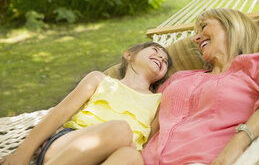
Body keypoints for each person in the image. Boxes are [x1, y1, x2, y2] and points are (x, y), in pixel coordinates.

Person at [142, 8, 259, 165]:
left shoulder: (254, 65)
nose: (196, 39)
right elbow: (151, 120)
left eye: (203, 27)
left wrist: (237, 144)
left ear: (232, 25)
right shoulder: (179, 77)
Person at [0, 42, 172, 165]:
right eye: (156, 50)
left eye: (165, 61)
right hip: (68, 148)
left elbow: (150, 145)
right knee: (120, 129)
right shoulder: (100, 80)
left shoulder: (157, 101)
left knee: (132, 157)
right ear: (129, 55)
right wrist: (22, 153)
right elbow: (60, 113)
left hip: (112, 158)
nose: (161, 58)